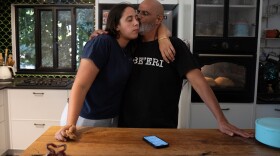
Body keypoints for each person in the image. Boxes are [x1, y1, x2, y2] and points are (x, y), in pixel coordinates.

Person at [117, 0, 253, 138]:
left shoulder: (175, 46)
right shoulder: (129, 44)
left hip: (162, 129)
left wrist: (222, 120)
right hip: (126, 128)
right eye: (138, 12)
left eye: (144, 13)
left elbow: (200, 83)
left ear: (158, 19)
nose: (138, 17)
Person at [54, 3, 140, 141]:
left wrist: (163, 37)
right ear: (116, 25)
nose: (136, 23)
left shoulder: (127, 49)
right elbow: (80, 85)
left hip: (111, 118)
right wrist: (71, 124)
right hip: (85, 118)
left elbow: (159, 26)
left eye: (137, 18)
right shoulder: (103, 42)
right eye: (129, 19)